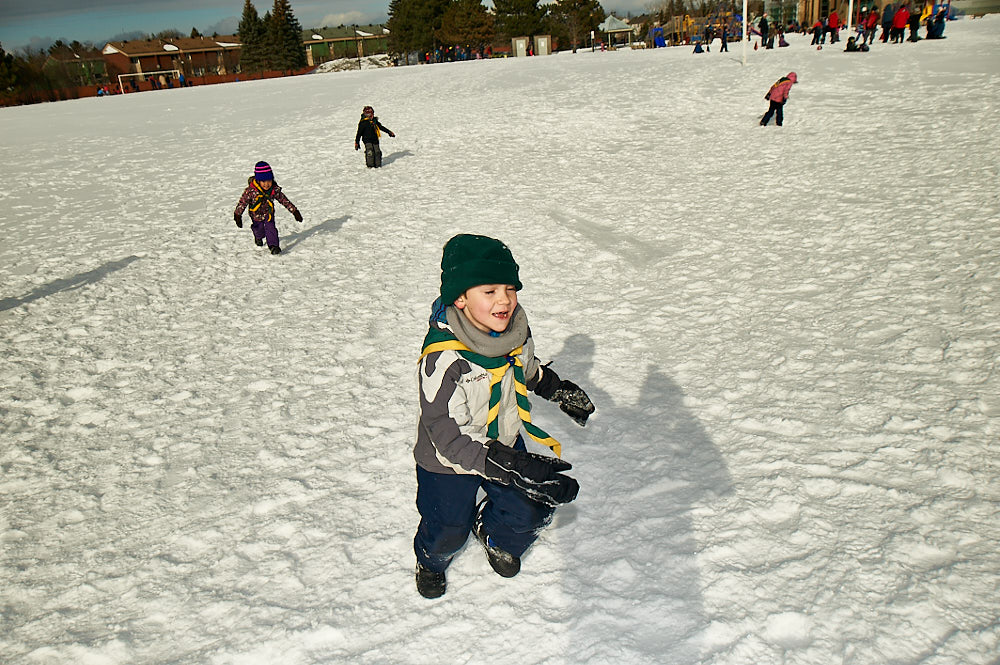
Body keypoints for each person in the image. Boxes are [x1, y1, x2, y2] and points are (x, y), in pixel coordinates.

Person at [413, 234, 595, 599]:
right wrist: (509, 465)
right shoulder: (444, 360)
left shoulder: (515, 332)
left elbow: (524, 368)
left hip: (504, 442)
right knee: (448, 528)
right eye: (490, 291)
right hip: (448, 463)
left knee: (532, 510)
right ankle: (431, 560)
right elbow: (447, 436)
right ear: (460, 298)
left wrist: (555, 388)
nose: (504, 300)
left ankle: (493, 532)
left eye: (510, 289)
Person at [233, 161, 302, 255]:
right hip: (255, 215)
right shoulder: (251, 191)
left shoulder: (273, 189)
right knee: (259, 230)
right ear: (258, 181)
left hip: (268, 213)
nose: (267, 184)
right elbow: (243, 202)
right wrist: (238, 214)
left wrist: (294, 211)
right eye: (263, 181)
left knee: (271, 228)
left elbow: (283, 200)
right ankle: (258, 237)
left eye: (269, 181)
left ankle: (274, 246)